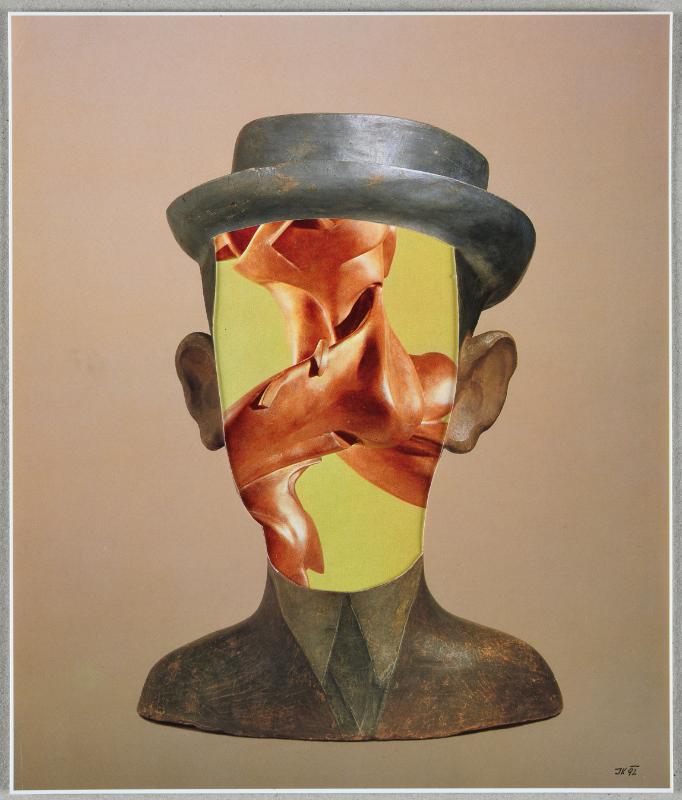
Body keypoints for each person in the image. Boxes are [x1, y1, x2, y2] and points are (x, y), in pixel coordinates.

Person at [138, 114, 562, 740]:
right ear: (205, 390)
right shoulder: (192, 686)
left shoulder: (507, 681)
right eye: (279, 353)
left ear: (477, 391)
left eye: (392, 342)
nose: (360, 400)